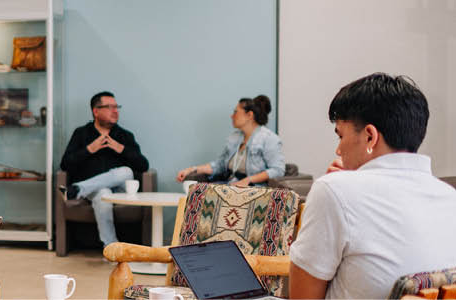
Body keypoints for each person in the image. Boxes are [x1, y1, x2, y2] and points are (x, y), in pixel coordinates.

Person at [289, 73, 456, 299]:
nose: (338, 150)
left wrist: (339, 187)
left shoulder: (333, 190)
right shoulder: (449, 197)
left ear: (370, 136)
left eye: (340, 136)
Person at [59, 91, 149, 246]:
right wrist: (89, 149)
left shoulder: (124, 136)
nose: (115, 111)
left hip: (120, 189)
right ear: (96, 111)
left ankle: (77, 189)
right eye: (109, 107)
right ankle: (111, 248)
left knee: (126, 172)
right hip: (94, 192)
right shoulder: (81, 133)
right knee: (103, 194)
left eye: (116, 107)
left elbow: (143, 165)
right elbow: (65, 164)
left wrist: (121, 148)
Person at [175, 95, 285, 187]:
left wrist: (248, 180)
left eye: (235, 112)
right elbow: (219, 165)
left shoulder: (269, 139)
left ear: (249, 115)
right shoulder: (235, 137)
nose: (232, 116)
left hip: (254, 189)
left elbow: (277, 170)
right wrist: (191, 169)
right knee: (194, 189)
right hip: (231, 185)